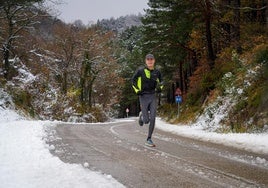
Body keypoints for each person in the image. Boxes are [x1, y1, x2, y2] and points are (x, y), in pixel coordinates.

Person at [132, 54, 163, 147]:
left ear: (154, 60)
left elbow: (162, 81)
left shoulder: (157, 72)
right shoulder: (140, 71)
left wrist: (160, 87)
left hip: (152, 95)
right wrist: (137, 90)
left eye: (151, 59)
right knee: (146, 121)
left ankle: (149, 139)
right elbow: (133, 80)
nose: (150, 61)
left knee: (153, 118)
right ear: (145, 61)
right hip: (143, 96)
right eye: (148, 59)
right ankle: (142, 116)